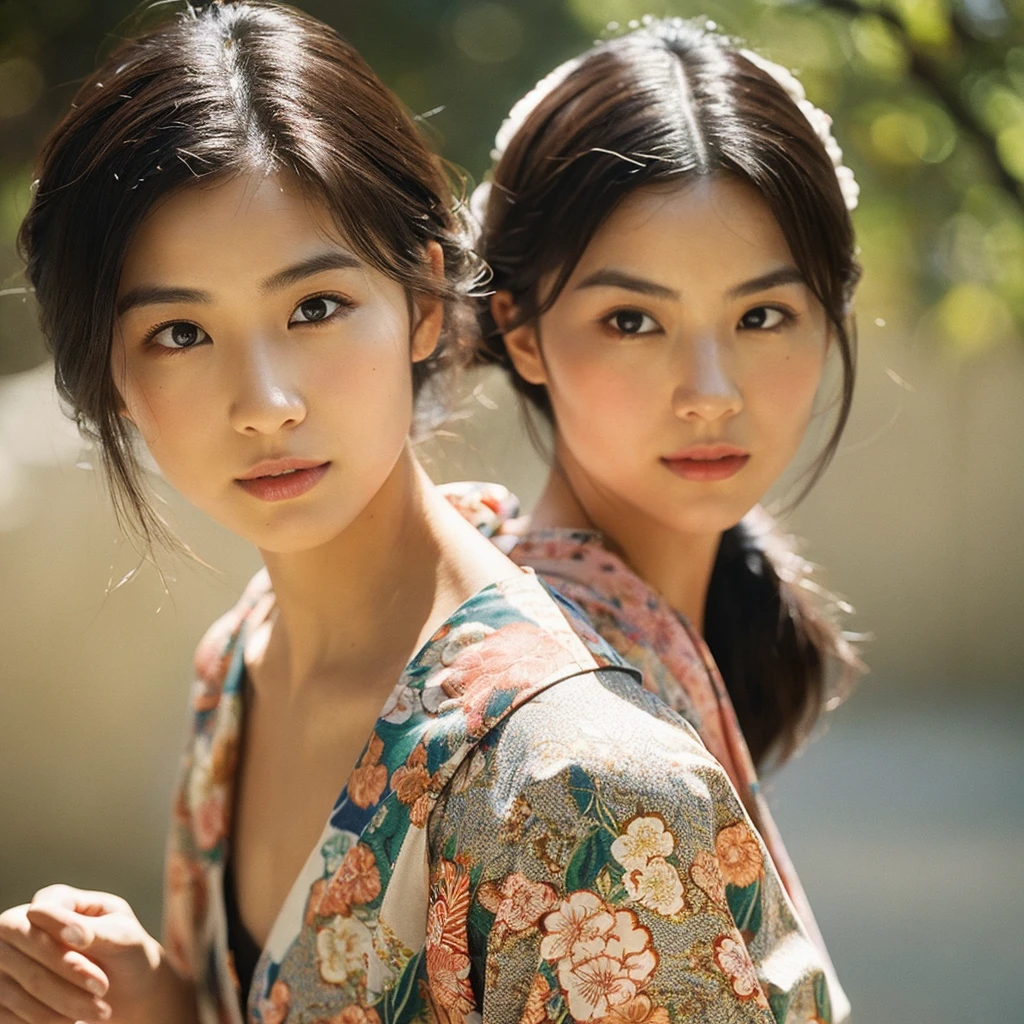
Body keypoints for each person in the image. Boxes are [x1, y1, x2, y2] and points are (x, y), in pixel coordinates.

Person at [1, 5, 843, 1024]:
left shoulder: (582, 786)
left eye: (315, 306)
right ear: (112, 382)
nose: (265, 400)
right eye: (180, 332)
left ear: (426, 301)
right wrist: (153, 1003)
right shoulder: (239, 665)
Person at [469, 16, 864, 1023]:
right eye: (633, 320)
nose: (709, 391)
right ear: (517, 329)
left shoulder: (512, 600)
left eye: (761, 315)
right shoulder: (592, 751)